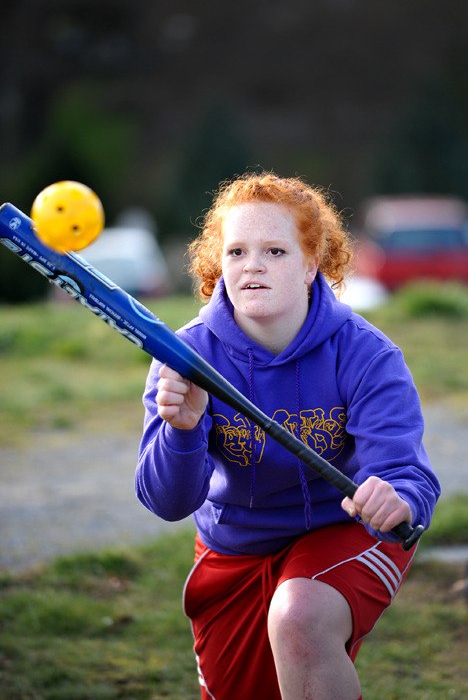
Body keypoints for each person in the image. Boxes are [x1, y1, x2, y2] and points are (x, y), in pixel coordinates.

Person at [135, 171, 440, 700]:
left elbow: (406, 475)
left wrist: (398, 498)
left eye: (275, 251)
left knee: (299, 617)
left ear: (310, 264)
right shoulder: (185, 358)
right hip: (234, 547)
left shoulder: (366, 353)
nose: (252, 265)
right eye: (236, 252)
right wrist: (182, 431)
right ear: (218, 265)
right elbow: (167, 502)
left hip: (343, 532)